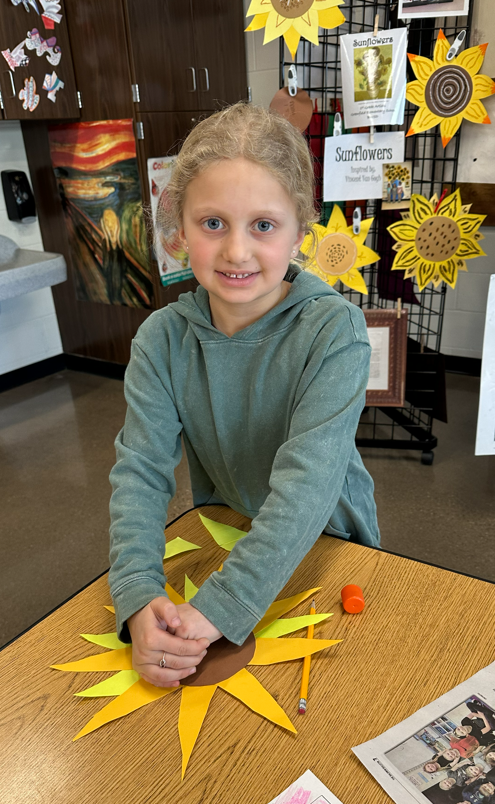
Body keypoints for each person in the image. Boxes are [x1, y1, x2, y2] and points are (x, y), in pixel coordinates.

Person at [108, 103, 380, 688]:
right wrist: (136, 592)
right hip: (228, 532)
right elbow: (140, 473)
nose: (236, 252)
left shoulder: (334, 331)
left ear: (300, 230)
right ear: (179, 230)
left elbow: (308, 487)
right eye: (213, 224)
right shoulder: (161, 339)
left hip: (326, 542)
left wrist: (219, 607)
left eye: (263, 224)